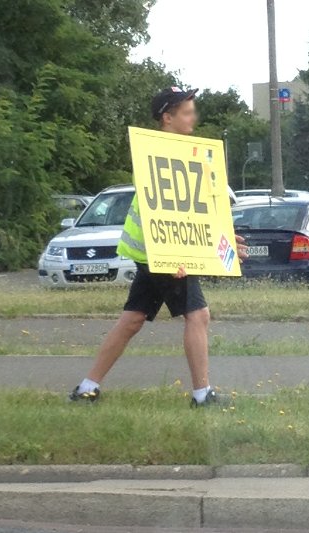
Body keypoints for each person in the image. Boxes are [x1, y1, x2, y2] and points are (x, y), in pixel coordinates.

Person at [69, 86, 248, 407]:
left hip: (152, 252)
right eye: (186, 111)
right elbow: (172, 209)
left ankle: (86, 387)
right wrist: (178, 249)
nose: (193, 116)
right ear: (167, 118)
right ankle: (202, 395)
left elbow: (195, 209)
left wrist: (220, 239)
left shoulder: (182, 151)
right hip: (163, 251)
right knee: (199, 315)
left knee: (133, 319)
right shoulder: (159, 154)